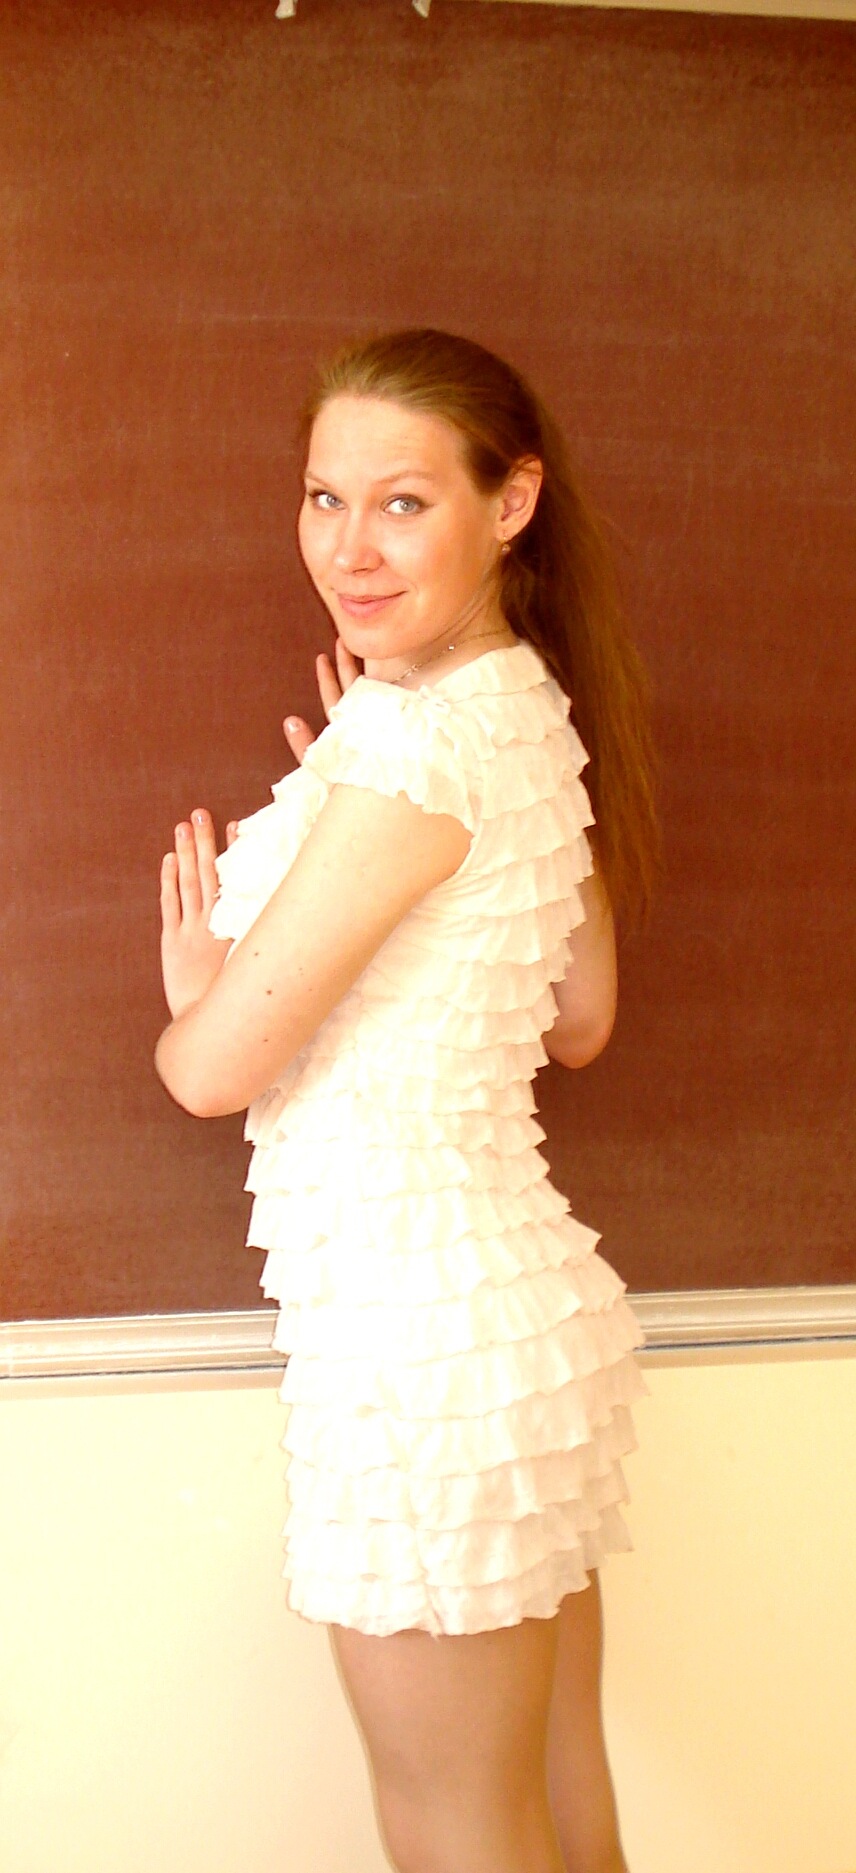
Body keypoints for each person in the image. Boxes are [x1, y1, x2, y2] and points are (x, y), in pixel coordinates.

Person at [155, 328, 662, 1873]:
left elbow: (211, 1070)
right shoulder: (520, 706)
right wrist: (356, 777)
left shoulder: (414, 751)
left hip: (422, 1371)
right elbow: (581, 1015)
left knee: (462, 1834)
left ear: (509, 504)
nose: (349, 548)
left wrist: (198, 980)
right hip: (516, 1337)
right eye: (325, 498)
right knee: (559, 1810)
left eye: (402, 502)